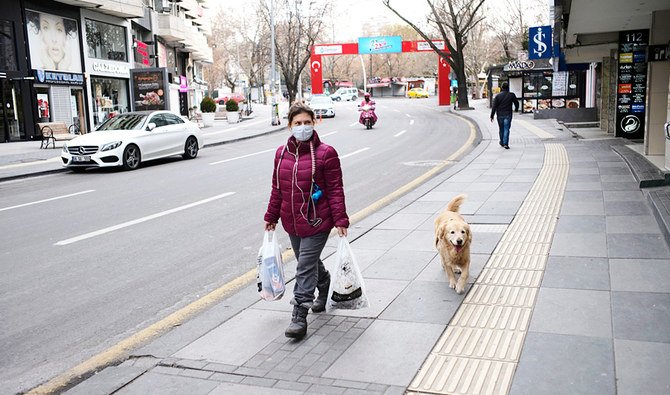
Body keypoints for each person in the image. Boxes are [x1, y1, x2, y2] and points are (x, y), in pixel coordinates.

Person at [264, 101, 349, 339]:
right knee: (307, 262)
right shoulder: (281, 154)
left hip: (318, 221)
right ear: (289, 126)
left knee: (303, 267)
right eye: (298, 123)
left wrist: (341, 219)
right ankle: (324, 284)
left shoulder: (326, 153)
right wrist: (271, 216)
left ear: (314, 123)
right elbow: (277, 189)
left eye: (307, 123)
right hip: (292, 221)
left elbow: (335, 189)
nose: (303, 127)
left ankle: (299, 315)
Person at [490, 82, 519, 149]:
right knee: (506, 128)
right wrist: (516, 109)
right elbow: (516, 103)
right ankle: (506, 143)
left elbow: (494, 106)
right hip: (508, 114)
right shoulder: (511, 95)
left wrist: (492, 116)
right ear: (508, 87)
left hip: (500, 115)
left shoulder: (498, 96)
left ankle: (502, 142)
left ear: (502, 88)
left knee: (501, 128)